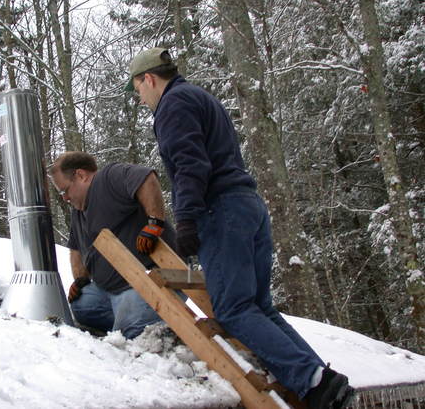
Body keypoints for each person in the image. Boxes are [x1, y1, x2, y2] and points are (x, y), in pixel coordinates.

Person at [125, 47, 355, 409]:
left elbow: (190, 163)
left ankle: (315, 381)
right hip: (247, 205)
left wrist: (185, 218)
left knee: (231, 309)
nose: (140, 99)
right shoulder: (200, 96)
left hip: (221, 210)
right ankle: (324, 384)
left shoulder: (172, 105)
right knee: (259, 307)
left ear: (149, 79)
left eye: (137, 89)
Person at [49, 151, 177, 339]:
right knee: (81, 305)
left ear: (81, 176)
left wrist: (154, 223)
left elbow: (145, 178)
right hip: (111, 291)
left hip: (148, 281)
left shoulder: (108, 178)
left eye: (65, 190)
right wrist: (81, 279)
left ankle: (140, 326)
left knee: (133, 332)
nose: (65, 198)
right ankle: (132, 321)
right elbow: (76, 247)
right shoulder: (79, 213)